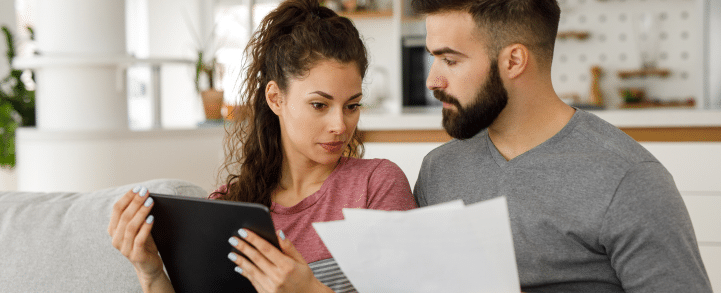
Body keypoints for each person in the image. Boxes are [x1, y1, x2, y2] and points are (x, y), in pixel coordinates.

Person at [107, 0, 417, 292]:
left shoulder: (376, 186)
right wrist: (151, 273)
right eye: (320, 105)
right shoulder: (228, 206)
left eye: (352, 106)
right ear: (275, 99)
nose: (340, 125)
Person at [410, 0, 713, 292]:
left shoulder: (628, 179)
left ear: (513, 61)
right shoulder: (439, 169)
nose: (432, 80)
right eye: (433, 59)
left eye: (449, 60)